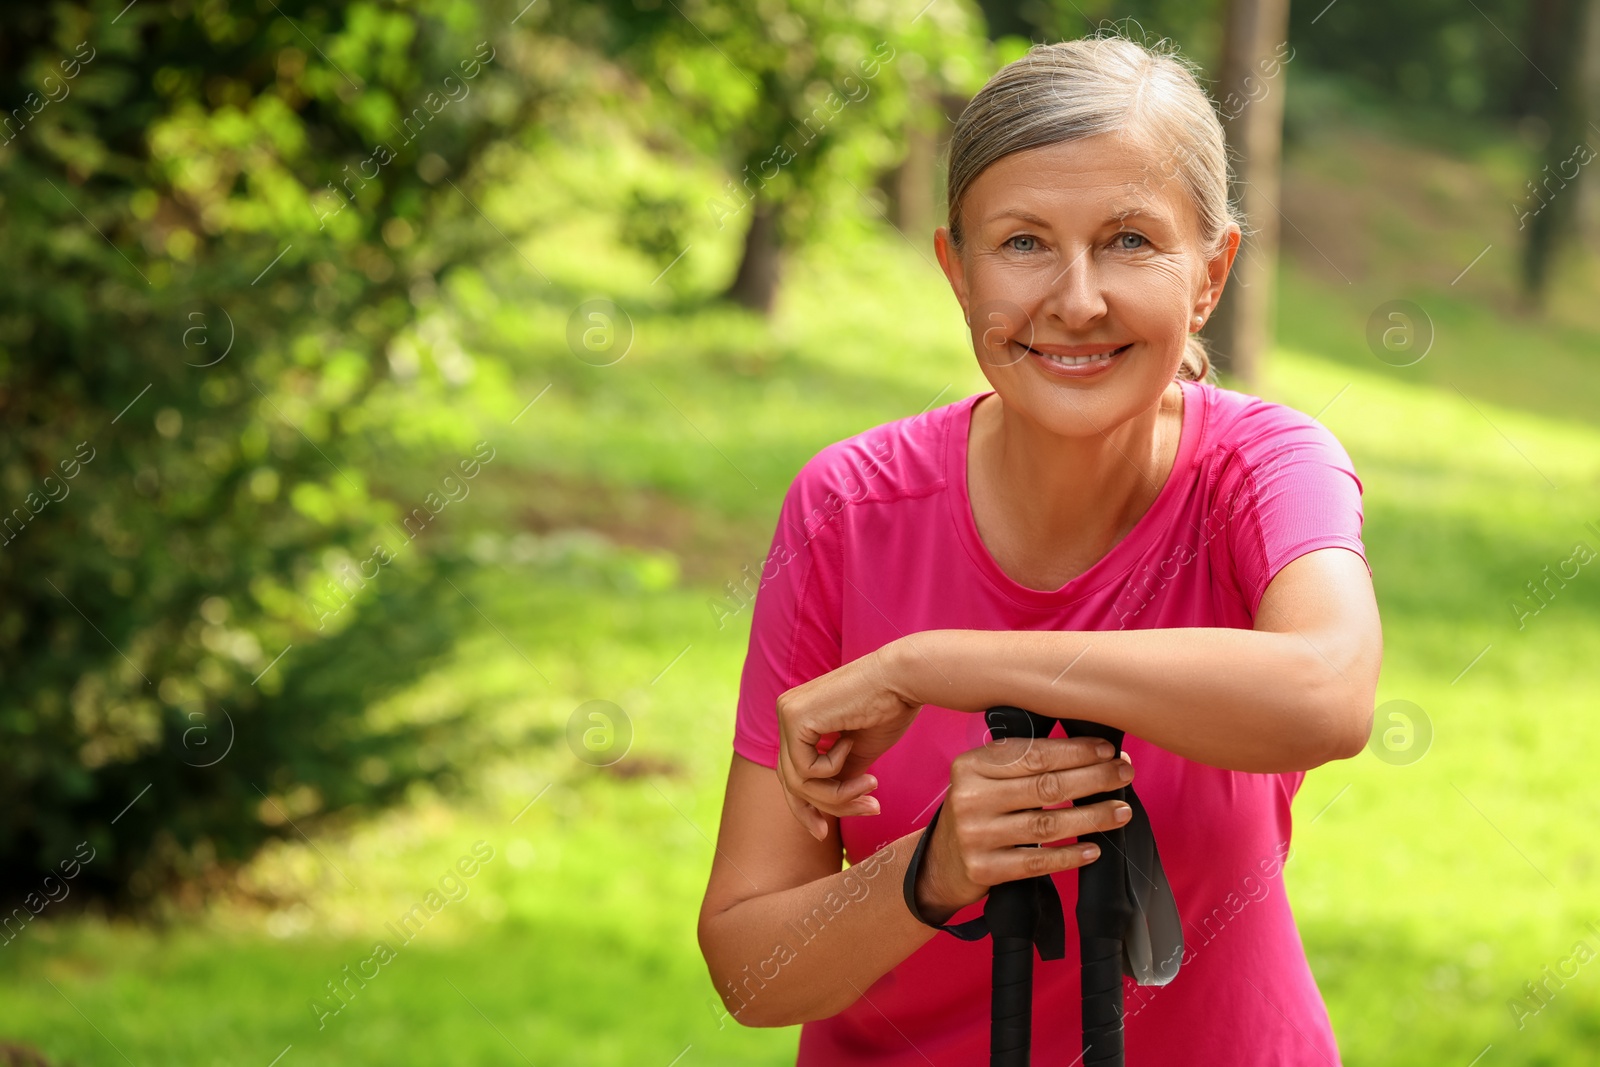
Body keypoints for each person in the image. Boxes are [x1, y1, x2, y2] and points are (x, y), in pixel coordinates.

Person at [697, 34, 1382, 1066]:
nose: (1074, 299)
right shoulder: (849, 506)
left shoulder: (1263, 466)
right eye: (1021, 243)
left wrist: (931, 663)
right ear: (955, 271)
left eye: (1129, 241)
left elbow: (1326, 691)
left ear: (1210, 273)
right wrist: (929, 868)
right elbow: (750, 968)